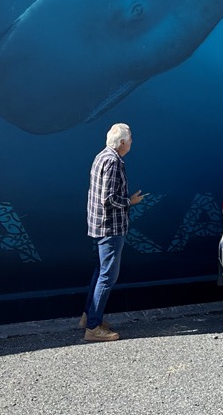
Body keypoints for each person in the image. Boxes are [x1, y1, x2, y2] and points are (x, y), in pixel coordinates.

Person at [81, 122, 144, 342]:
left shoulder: (101, 157)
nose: (132, 143)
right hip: (111, 227)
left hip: (99, 225)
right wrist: (130, 201)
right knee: (107, 276)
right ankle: (93, 327)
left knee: (100, 273)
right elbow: (107, 198)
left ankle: (89, 317)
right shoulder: (113, 162)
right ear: (123, 143)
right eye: (131, 140)